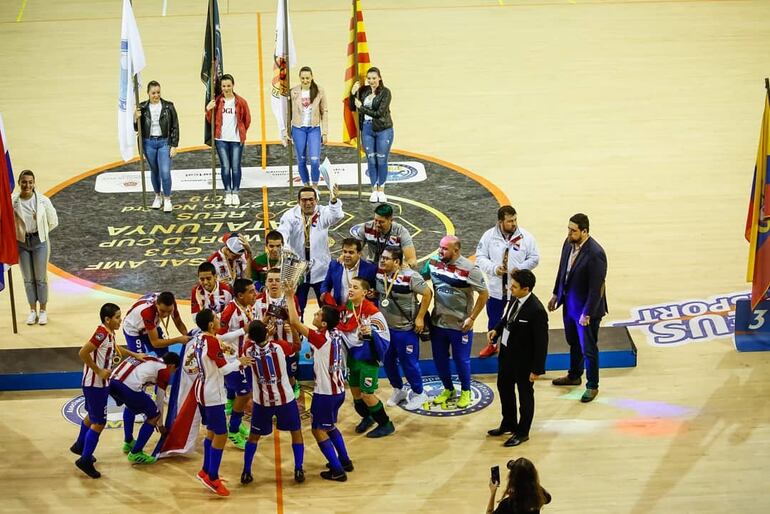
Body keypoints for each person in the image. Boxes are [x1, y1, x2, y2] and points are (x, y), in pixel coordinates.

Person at [285, 285, 353, 482]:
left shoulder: (320, 337)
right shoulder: (335, 334)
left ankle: (338, 470)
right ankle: (345, 461)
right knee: (330, 426)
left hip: (325, 393)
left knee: (318, 429)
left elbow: (294, 322)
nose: (314, 314)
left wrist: (290, 296)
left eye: (317, 314)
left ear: (323, 324)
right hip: (338, 389)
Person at [70, 303, 143, 479]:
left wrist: (134, 355)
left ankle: (80, 446)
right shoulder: (101, 333)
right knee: (99, 422)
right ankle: (85, 460)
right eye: (117, 317)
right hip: (95, 384)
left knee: (91, 416)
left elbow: (116, 349)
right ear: (107, 319)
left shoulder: (109, 333)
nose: (120, 320)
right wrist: (99, 370)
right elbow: (83, 352)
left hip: (97, 384)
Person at [189, 309, 254, 497]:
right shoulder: (211, 341)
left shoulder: (200, 337)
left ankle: (205, 471)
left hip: (201, 389)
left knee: (211, 432)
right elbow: (225, 370)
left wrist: (239, 334)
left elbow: (221, 339)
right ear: (211, 324)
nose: (219, 320)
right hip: (212, 394)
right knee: (221, 435)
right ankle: (213, 477)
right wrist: (240, 362)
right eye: (216, 318)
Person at [548, 213, 608, 403]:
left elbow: (596, 287)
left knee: (589, 349)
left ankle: (592, 386)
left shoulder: (595, 253)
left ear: (585, 231)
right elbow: (562, 270)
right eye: (568, 229)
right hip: (570, 304)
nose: (569, 233)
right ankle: (574, 375)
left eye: (573, 230)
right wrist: (556, 294)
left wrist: (587, 313)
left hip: (586, 311)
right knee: (573, 341)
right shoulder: (568, 244)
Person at [423, 235, 488, 409]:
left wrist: (472, 317)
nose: (440, 251)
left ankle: (465, 391)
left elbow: (484, 294)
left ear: (456, 250)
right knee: (440, 359)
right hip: (438, 323)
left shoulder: (470, 269)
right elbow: (419, 279)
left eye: (444, 248)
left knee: (461, 360)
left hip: (460, 325)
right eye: (439, 247)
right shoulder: (434, 262)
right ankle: (448, 389)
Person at [121, 291, 189, 451]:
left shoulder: (171, 304)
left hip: (150, 326)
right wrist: (179, 340)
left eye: (168, 311)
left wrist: (187, 337)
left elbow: (178, 322)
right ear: (156, 305)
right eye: (162, 311)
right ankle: (137, 395)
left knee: (166, 360)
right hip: (134, 330)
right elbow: (156, 342)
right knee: (140, 360)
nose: (165, 315)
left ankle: (160, 391)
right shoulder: (147, 311)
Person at [487, 269, 548, 447]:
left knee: (525, 397)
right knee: (504, 389)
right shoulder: (515, 298)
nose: (510, 288)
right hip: (506, 356)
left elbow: (541, 342)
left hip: (524, 363)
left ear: (526, 289)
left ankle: (522, 432)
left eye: (514, 286)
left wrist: (537, 369)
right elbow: (507, 319)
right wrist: (497, 330)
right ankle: (508, 423)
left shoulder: (537, 310)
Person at [240, 319, 305, 485]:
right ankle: (298, 468)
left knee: (253, 438)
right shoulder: (280, 346)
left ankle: (246, 471)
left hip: (262, 401)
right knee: (296, 432)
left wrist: (261, 333)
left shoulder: (247, 349)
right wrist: (292, 332)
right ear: (267, 332)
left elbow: (250, 340)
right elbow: (296, 346)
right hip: (285, 400)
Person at [476, 205, 540, 358]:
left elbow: (535, 258)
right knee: (494, 318)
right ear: (500, 222)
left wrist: (520, 269)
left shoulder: (526, 237)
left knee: (517, 319)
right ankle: (492, 345)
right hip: (496, 288)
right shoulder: (489, 237)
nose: (514, 223)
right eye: (510, 221)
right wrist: (493, 269)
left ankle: (514, 345)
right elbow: (480, 257)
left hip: (517, 289)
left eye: (515, 220)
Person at [336, 277, 395, 438]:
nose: (351, 290)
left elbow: (385, 336)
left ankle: (386, 424)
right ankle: (367, 417)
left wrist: (371, 334)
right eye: (350, 286)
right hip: (352, 357)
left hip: (368, 359)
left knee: (367, 394)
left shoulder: (373, 312)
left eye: (355, 287)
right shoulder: (346, 308)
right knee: (355, 393)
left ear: (365, 293)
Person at [376, 246, 432, 411]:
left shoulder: (410, 277)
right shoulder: (380, 274)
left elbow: (427, 293)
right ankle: (398, 390)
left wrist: (420, 317)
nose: (382, 261)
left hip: (405, 330)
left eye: (386, 258)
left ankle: (419, 392)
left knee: (409, 363)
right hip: (386, 330)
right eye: (382, 258)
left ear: (397, 262)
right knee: (388, 362)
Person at [277, 185, 344, 316]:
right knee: (296, 309)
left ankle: (329, 334)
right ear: (298, 201)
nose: (308, 203)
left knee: (327, 309)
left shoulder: (322, 213)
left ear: (316, 200)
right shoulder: (290, 215)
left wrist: (334, 201)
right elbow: (282, 233)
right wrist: (285, 247)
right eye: (304, 200)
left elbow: (337, 216)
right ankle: (298, 334)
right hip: (298, 272)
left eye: (311, 199)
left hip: (321, 270)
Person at [109, 352, 180, 464]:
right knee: (154, 415)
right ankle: (136, 452)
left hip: (112, 382)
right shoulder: (164, 371)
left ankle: (128, 441)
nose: (172, 373)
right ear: (171, 365)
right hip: (127, 386)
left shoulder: (149, 357)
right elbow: (159, 400)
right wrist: (160, 425)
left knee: (130, 406)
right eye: (174, 370)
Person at [11, 169, 58, 326]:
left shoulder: (43, 201)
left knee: (41, 278)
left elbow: (53, 221)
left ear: (34, 183)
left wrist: (40, 231)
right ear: (19, 183)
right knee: (28, 279)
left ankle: (43, 310)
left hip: (39, 243)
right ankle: (32, 310)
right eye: (24, 182)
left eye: (30, 182)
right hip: (22, 243)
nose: (27, 185)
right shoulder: (12, 201)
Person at [218, 278, 258, 449]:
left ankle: (237, 422)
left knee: (240, 393)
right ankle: (233, 430)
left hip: (241, 357)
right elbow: (218, 337)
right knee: (244, 395)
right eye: (251, 291)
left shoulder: (245, 306)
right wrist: (243, 330)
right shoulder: (229, 312)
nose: (254, 294)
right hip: (231, 360)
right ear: (240, 295)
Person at [253, 267, 302, 398]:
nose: (274, 283)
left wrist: (291, 326)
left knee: (289, 373)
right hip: (267, 344)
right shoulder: (258, 301)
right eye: (270, 280)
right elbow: (254, 326)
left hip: (289, 343)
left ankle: (293, 386)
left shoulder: (291, 298)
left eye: (277, 280)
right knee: (270, 374)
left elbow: (299, 320)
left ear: (281, 283)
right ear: (266, 283)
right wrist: (265, 329)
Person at [205, 73, 251, 207]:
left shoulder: (241, 102)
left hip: (236, 140)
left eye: (229, 86)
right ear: (221, 86)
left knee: (235, 167)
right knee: (225, 167)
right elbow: (210, 120)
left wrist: (241, 132)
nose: (226, 88)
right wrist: (208, 110)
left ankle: (235, 192)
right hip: (221, 139)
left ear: (233, 85)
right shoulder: (217, 102)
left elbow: (247, 120)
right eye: (224, 86)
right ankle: (227, 192)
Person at [134, 80, 180, 212]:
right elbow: (137, 129)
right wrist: (135, 117)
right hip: (149, 143)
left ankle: (167, 199)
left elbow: (175, 126)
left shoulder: (168, 106)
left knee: (165, 171)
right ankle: (157, 196)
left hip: (164, 142)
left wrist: (174, 145)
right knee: (154, 171)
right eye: (153, 93)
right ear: (148, 93)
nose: (156, 95)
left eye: (158, 92)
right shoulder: (142, 107)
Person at [350, 67, 394, 202]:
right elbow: (353, 107)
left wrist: (361, 107)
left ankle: (382, 189)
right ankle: (374, 189)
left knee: (381, 160)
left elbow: (379, 113)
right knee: (371, 160)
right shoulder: (364, 91)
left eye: (374, 78)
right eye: (369, 78)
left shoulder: (386, 93)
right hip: (367, 129)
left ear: (379, 78)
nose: (371, 81)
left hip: (383, 129)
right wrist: (352, 94)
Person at [287, 66, 329, 188]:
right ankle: (306, 186)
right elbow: (287, 112)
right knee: (301, 160)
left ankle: (315, 187)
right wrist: (286, 131)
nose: (305, 80)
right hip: (298, 129)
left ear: (312, 77)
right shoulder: (293, 91)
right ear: (300, 78)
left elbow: (324, 111)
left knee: (315, 160)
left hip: (314, 129)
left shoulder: (319, 91)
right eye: (303, 78)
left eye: (308, 78)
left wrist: (325, 132)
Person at [349, 203, 417, 268]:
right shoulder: (366, 228)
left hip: (392, 268)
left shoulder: (400, 232)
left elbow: (412, 260)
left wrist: (407, 266)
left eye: (381, 222)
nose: (377, 224)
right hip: (371, 265)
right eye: (375, 220)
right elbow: (355, 249)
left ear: (391, 220)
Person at [320, 238, 377, 308]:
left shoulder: (370, 269)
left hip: (359, 311)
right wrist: (324, 292)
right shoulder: (334, 265)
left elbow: (375, 291)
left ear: (359, 254)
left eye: (351, 252)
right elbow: (326, 284)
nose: (347, 255)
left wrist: (373, 293)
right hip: (339, 309)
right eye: (345, 251)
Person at [487, 458, 552, 514]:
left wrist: (493, 493)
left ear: (512, 479)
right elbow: (548, 499)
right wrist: (530, 479)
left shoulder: (507, 505)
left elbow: (489, 512)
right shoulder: (538, 496)